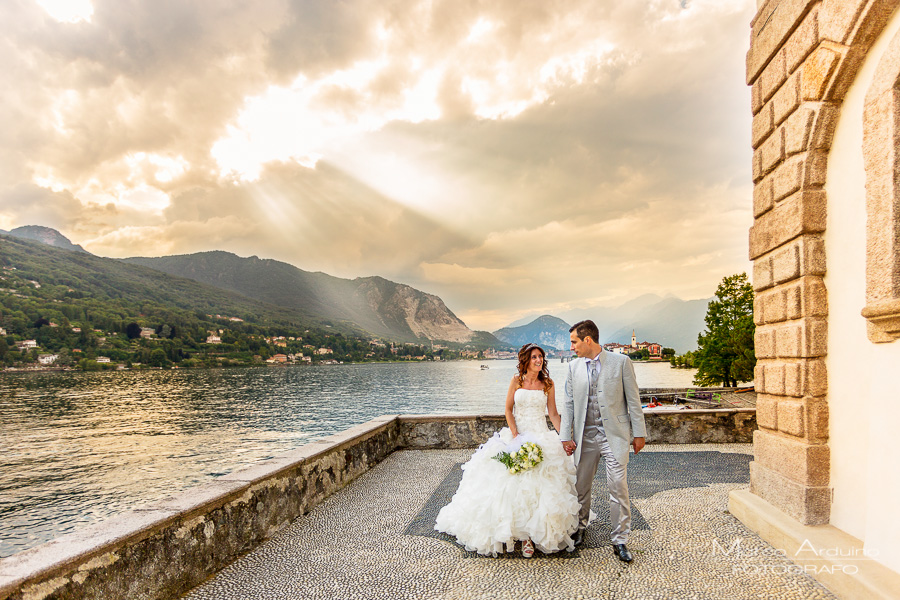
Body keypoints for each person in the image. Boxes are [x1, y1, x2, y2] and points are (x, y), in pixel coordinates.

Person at [435, 343, 579, 557]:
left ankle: (530, 536)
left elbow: (554, 414)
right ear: (525, 361)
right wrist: (515, 435)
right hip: (517, 436)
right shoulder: (516, 381)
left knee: (536, 488)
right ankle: (520, 535)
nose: (538, 360)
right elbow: (508, 409)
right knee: (512, 486)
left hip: (541, 436)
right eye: (534, 357)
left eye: (540, 357)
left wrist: (565, 438)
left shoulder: (548, 383)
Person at [559, 320, 647, 563]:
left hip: (614, 436)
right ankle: (579, 527)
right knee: (580, 486)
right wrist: (565, 435)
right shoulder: (573, 367)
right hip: (584, 436)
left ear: (588, 340)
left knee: (618, 486)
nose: (572, 347)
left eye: (574, 342)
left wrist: (638, 433)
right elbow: (568, 404)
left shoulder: (621, 362)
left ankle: (620, 539)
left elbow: (633, 400)